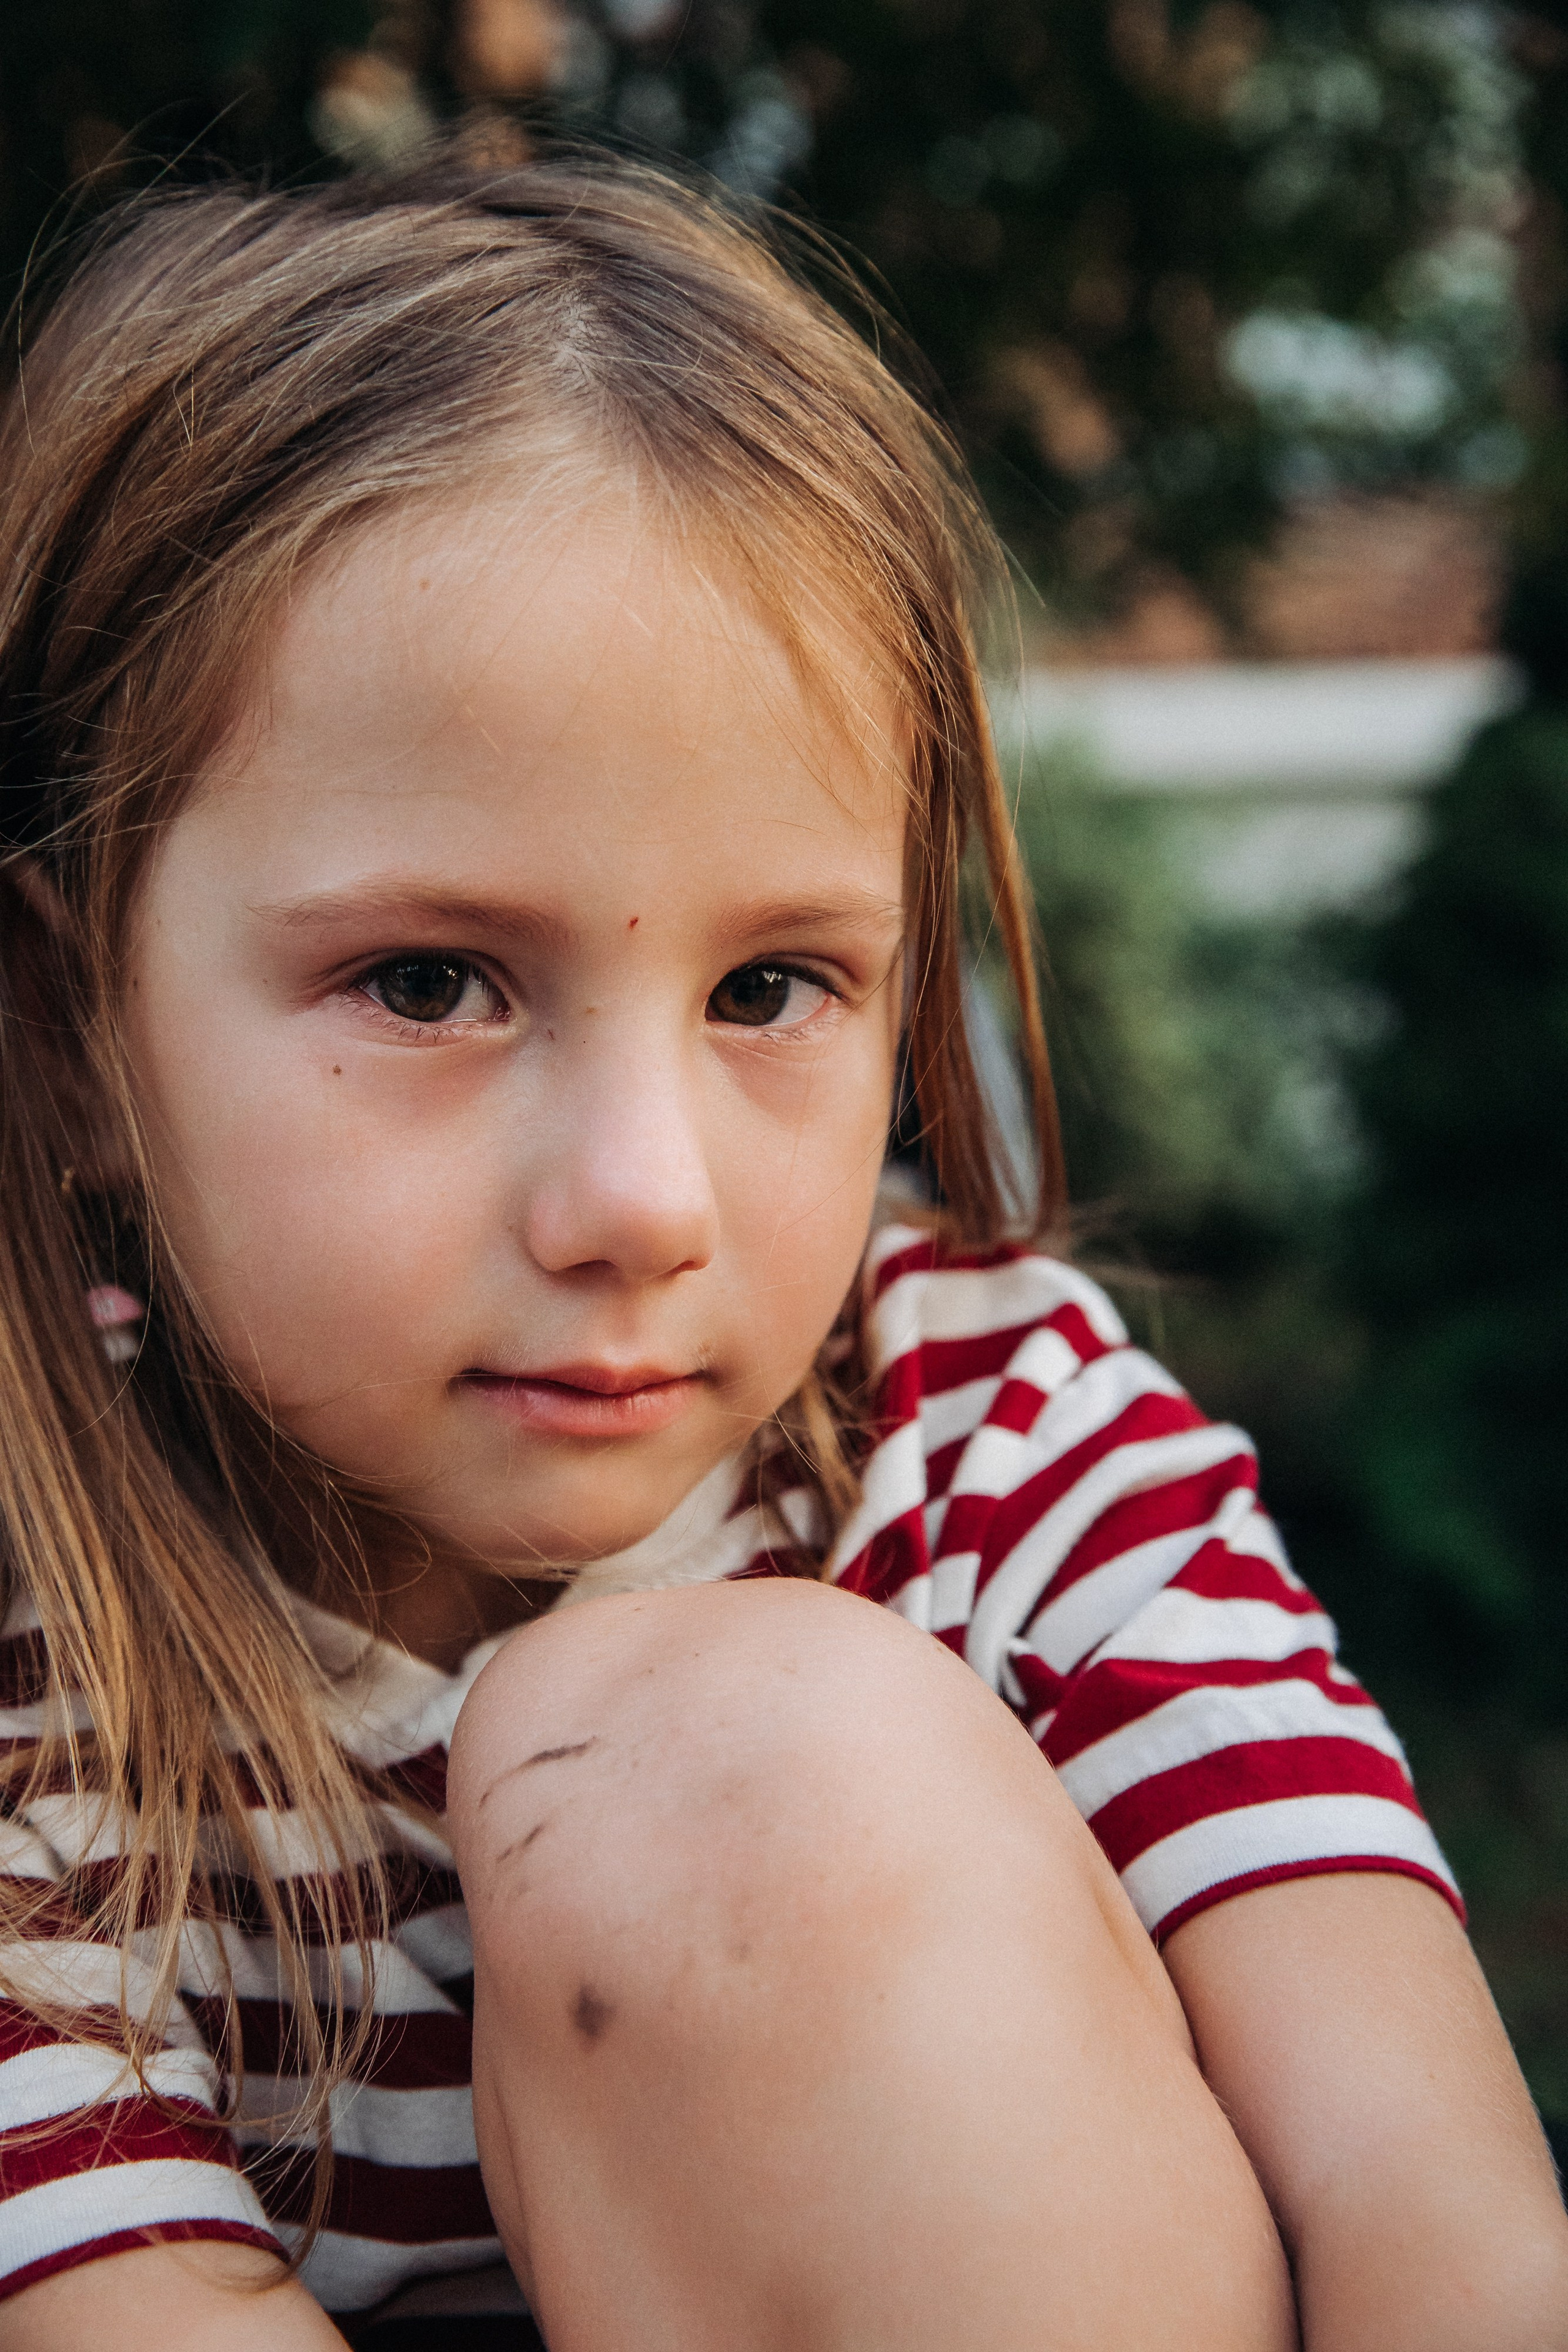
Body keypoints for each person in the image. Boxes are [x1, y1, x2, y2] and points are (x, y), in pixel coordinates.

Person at [0, 154, 1561, 2352]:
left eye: (771, 992)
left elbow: (1437, 2222)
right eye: (433, 982)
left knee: (729, 1755)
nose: (645, 1200)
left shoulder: (994, 1427)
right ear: (71, 1032)